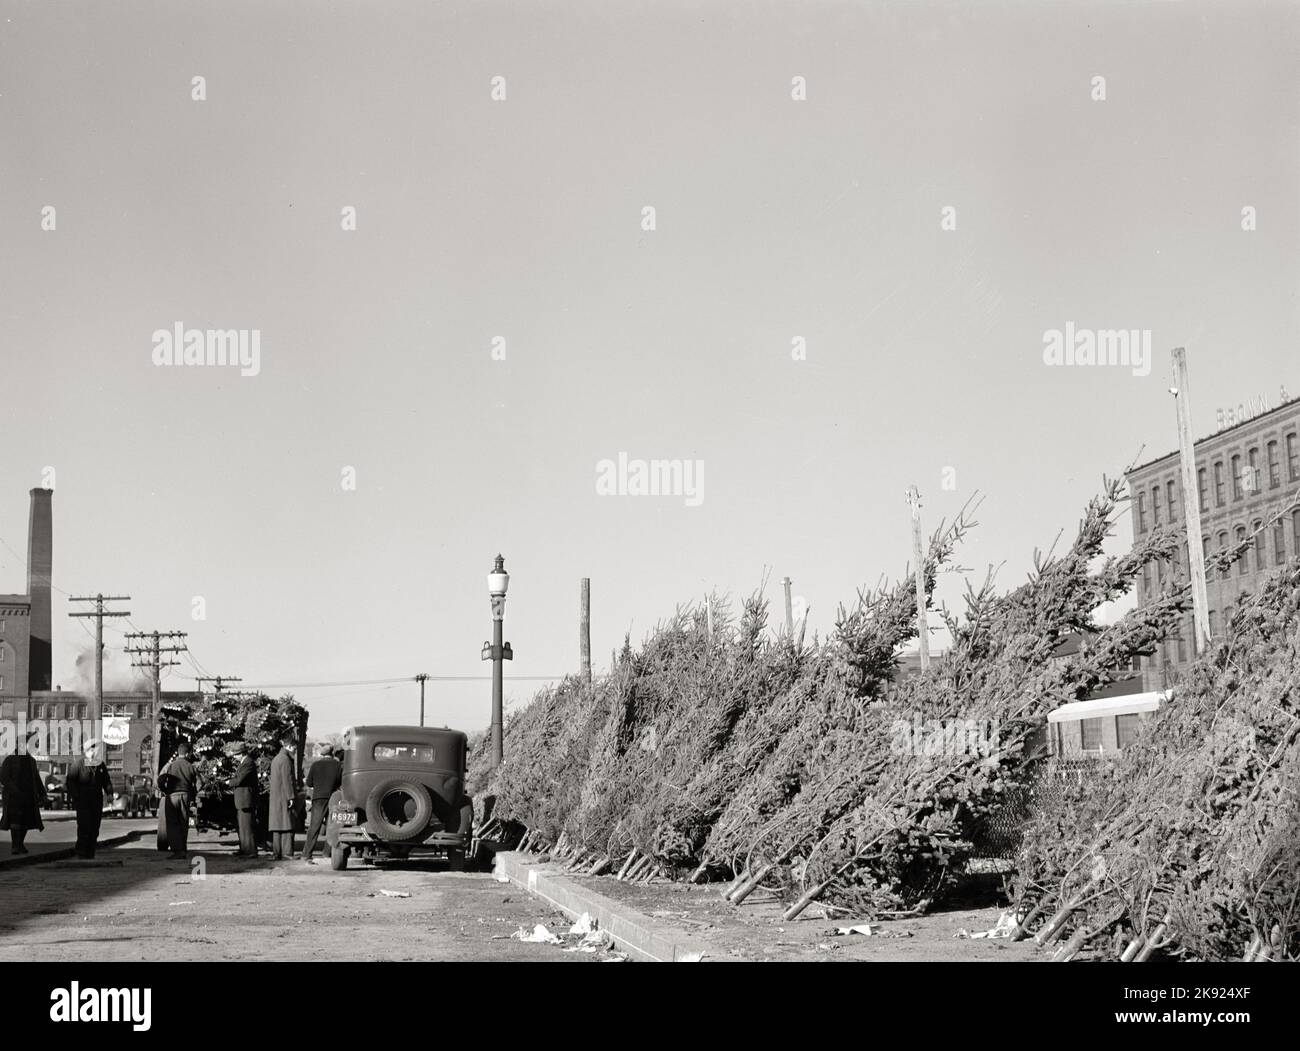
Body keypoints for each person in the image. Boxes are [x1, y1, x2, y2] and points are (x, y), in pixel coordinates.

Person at [65, 738, 115, 859]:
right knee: (84, 827)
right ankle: (81, 852)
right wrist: (77, 797)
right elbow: (70, 783)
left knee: (94, 828)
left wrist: (109, 793)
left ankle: (90, 852)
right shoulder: (78, 764)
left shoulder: (100, 765)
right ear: (86, 751)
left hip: (96, 802)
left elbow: (106, 781)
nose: (95, 752)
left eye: (96, 749)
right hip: (83, 802)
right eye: (93, 749)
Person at [0, 741, 47, 855]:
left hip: (29, 796)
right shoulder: (9, 759)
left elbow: (36, 778)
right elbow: (3, 777)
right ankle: (15, 846)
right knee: (15, 822)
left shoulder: (31, 761)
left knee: (26, 821)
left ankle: (20, 844)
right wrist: (14, 790)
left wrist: (42, 793)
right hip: (14, 797)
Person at [157, 741, 201, 860]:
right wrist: (194, 792)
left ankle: (177, 850)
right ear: (187, 754)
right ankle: (183, 849)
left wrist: (164, 790)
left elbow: (160, 780)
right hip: (185, 796)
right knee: (183, 822)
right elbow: (200, 782)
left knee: (172, 824)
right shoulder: (191, 766)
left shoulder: (170, 765)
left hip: (171, 796)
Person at [301, 743, 342, 864]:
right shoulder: (338, 765)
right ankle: (327, 852)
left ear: (322, 754)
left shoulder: (315, 765)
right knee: (332, 826)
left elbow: (309, 783)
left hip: (318, 798)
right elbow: (340, 782)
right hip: (332, 797)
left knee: (314, 826)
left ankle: (307, 853)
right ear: (332, 753)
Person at [226, 741, 259, 857]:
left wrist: (228, 782)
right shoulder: (244, 762)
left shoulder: (248, 763)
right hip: (243, 800)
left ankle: (251, 851)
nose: (234, 757)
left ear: (242, 753)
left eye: (236, 754)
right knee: (242, 826)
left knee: (247, 827)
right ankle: (244, 849)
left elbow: (239, 780)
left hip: (246, 800)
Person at [268, 734, 296, 860]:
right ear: (289, 746)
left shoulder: (277, 759)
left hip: (276, 797)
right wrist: (291, 796)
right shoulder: (285, 760)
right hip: (284, 796)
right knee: (287, 825)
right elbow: (288, 780)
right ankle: (287, 852)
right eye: (294, 747)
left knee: (277, 826)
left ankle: (276, 853)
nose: (295, 750)